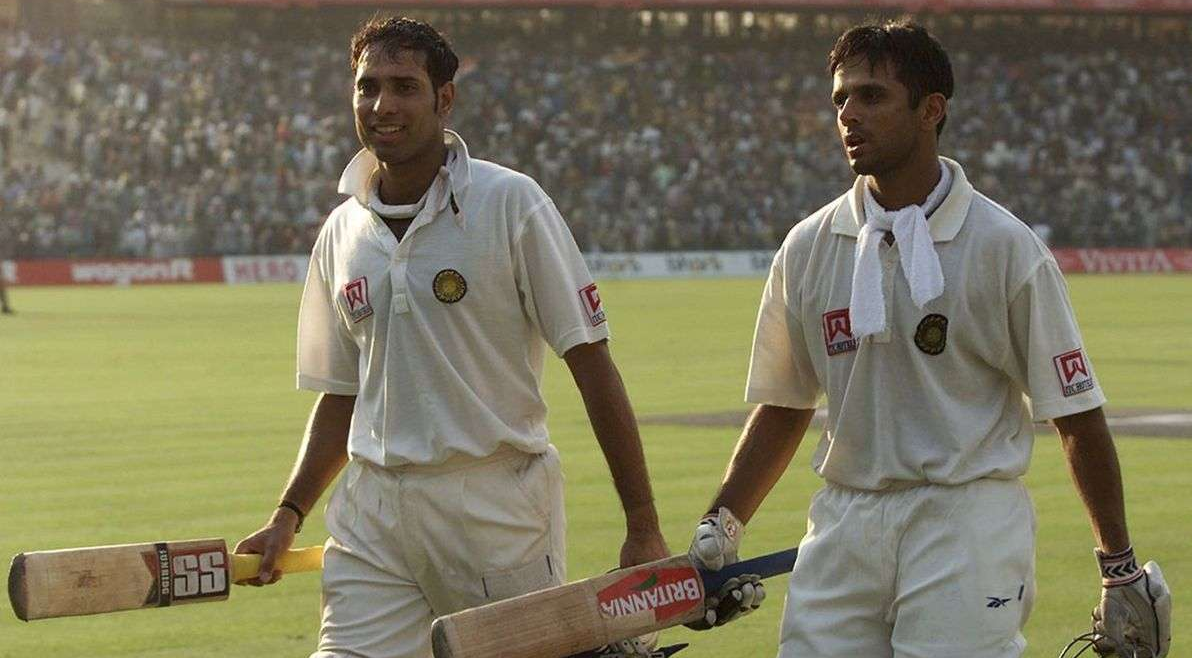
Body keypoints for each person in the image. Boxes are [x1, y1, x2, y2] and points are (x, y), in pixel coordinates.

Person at [685, 20, 1171, 658]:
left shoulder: (1004, 247)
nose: (849, 116)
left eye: (871, 96)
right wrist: (719, 527)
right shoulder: (806, 246)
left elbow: (1075, 413)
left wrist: (1119, 565)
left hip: (966, 519)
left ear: (931, 110)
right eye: (840, 100)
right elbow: (784, 404)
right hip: (842, 521)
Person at [235, 17, 670, 658]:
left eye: (405, 87)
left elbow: (591, 362)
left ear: (444, 99)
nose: (382, 105)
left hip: (493, 505)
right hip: (373, 511)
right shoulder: (341, 231)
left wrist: (643, 528)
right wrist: (288, 513)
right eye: (367, 87)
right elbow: (340, 393)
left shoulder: (510, 203)